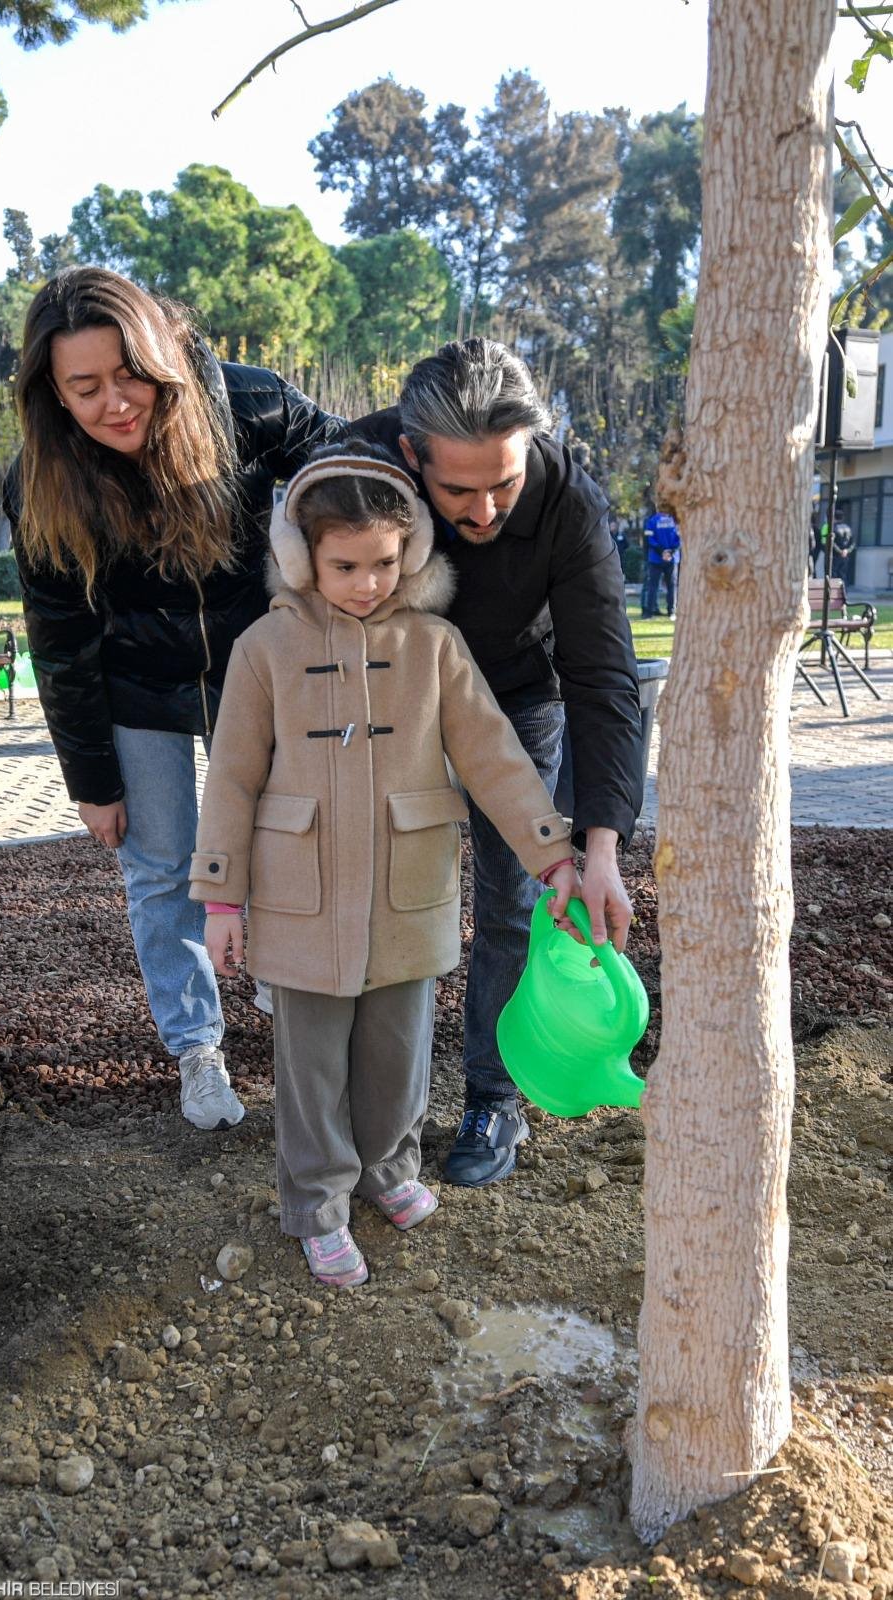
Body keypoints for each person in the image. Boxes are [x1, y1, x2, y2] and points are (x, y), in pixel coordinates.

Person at [189, 442, 581, 1286]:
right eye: (344, 565)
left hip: (410, 891)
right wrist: (221, 901)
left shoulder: (434, 647)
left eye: (383, 563)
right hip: (303, 897)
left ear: (412, 555)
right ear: (301, 559)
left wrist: (551, 855)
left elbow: (495, 758)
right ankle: (318, 1204)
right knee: (312, 1065)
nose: (367, 582)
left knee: (399, 1054)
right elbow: (231, 777)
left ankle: (388, 1172)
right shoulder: (264, 650)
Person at [3, 267, 343, 1132]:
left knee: (281, 836)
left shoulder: (247, 406)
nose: (116, 403)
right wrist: (91, 779)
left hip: (253, 676)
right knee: (162, 869)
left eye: (130, 375)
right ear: (53, 393)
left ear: (160, 354)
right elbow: (60, 639)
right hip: (133, 691)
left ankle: (283, 981)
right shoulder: (40, 480)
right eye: (85, 388)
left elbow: (353, 466)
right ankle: (197, 1049)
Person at [351, 339, 642, 1188]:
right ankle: (354, 1100)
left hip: (519, 696)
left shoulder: (569, 503)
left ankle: (493, 1094)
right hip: (393, 697)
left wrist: (601, 849)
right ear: (412, 459)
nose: (483, 512)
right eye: (458, 490)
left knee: (521, 899)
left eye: (503, 484)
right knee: (372, 893)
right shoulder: (360, 469)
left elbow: (603, 676)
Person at [642, 503, 681, 618]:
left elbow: (649, 539)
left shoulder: (652, 521)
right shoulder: (675, 521)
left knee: (653, 586)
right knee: (672, 586)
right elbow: (679, 538)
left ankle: (649, 612)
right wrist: (671, 552)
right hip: (672, 558)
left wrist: (661, 552)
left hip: (655, 558)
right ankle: (671, 611)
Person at [830, 506, 856, 582]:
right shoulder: (848, 528)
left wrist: (840, 551)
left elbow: (832, 542)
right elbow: (853, 542)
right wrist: (847, 551)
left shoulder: (833, 528)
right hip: (846, 555)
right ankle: (844, 591)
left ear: (834, 518)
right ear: (843, 518)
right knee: (843, 575)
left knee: (834, 575)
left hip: (836, 555)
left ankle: (834, 593)